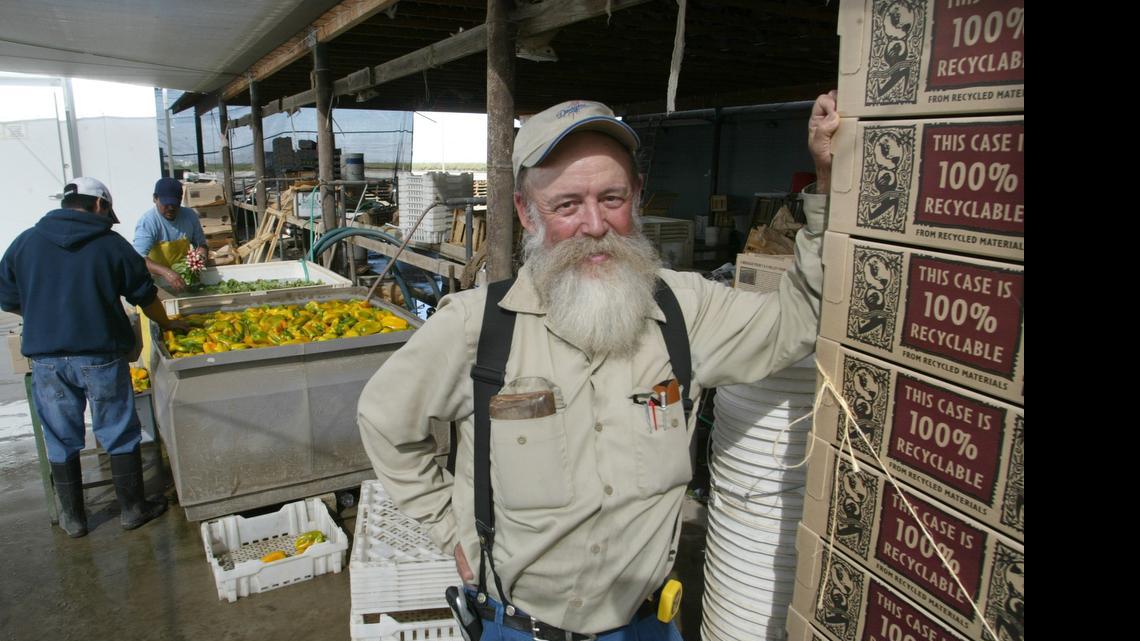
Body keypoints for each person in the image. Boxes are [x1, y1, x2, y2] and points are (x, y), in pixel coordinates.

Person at [358, 93, 839, 639]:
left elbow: (800, 323)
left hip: (647, 625)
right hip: (520, 628)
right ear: (524, 212)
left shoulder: (687, 310)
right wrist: (451, 530)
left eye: (612, 198)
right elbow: (384, 420)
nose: (595, 224)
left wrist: (825, 187)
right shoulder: (477, 329)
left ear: (636, 196)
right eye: (567, 205)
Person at [0, 177, 185, 538]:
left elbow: (7, 297)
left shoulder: (25, 242)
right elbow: (144, 297)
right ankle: (133, 509)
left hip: (46, 358)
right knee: (116, 428)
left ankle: (74, 518)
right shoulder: (110, 244)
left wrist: (43, 315)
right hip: (99, 353)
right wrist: (171, 326)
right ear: (99, 205)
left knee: (60, 433)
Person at [133, 176, 207, 292]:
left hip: (183, 280)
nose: (171, 208)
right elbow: (137, 258)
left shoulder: (189, 216)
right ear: (155, 198)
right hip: (155, 283)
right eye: (166, 204)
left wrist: (201, 256)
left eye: (175, 203)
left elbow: (201, 244)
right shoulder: (148, 222)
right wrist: (166, 272)